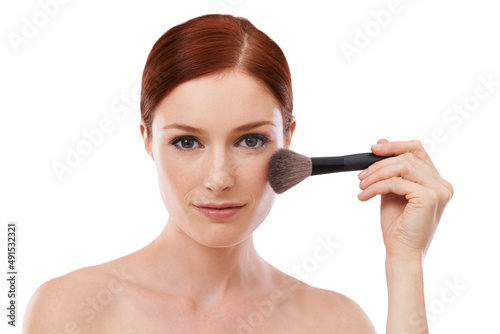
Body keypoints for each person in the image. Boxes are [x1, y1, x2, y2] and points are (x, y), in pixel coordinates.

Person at [23, 14, 453, 333]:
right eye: (187, 142)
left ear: (288, 139)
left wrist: (405, 262)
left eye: (249, 140)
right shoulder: (70, 311)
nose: (218, 178)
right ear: (146, 140)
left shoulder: (334, 322)